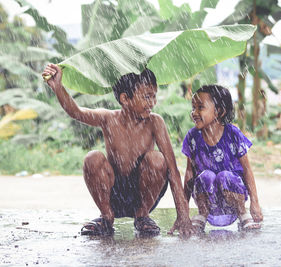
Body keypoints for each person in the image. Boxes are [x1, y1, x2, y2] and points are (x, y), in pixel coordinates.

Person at [42, 64, 194, 237]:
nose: (152, 103)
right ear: (125, 99)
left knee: (157, 159)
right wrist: (58, 88)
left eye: (154, 96)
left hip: (143, 195)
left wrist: (183, 216)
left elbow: (173, 171)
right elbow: (76, 112)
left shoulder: (155, 122)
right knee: (93, 157)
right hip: (114, 194)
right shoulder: (108, 118)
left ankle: (142, 216)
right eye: (147, 97)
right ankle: (106, 217)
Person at [180, 85, 263, 233]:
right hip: (209, 207)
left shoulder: (232, 134)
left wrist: (254, 203)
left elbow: (247, 170)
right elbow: (189, 175)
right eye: (193, 107)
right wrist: (183, 212)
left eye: (200, 107)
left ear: (219, 111)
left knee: (224, 176)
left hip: (233, 204)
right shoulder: (193, 137)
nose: (194, 113)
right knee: (206, 176)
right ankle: (201, 215)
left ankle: (242, 215)